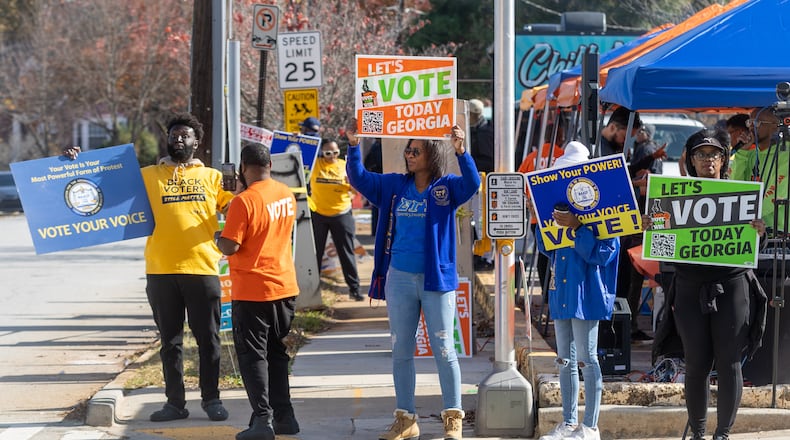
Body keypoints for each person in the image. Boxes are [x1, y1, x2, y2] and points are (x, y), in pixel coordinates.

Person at [63, 113, 233, 422]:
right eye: (174, 135)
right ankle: (175, 403)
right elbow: (103, 185)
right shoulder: (148, 175)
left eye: (185, 135)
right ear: (167, 140)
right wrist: (76, 162)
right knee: (170, 343)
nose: (178, 139)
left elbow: (236, 207)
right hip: (161, 271)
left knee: (208, 340)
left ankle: (211, 400)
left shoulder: (212, 177)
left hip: (203, 268)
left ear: (197, 141)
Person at [346, 124, 480, 440]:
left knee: (445, 349)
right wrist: (353, 147)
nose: (408, 154)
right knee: (401, 350)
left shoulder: (447, 188)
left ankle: (452, 417)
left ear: (430, 155)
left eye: (415, 150)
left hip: (437, 281)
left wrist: (461, 150)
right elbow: (360, 179)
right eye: (408, 149)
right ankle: (406, 419)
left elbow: (472, 183)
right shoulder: (394, 186)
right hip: (400, 279)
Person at [644, 132, 767, 440]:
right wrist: (650, 225)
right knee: (696, 362)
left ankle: (722, 433)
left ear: (723, 160)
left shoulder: (738, 196)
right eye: (701, 154)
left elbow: (753, 244)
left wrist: (759, 233)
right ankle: (698, 433)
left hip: (732, 286)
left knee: (729, 362)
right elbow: (662, 243)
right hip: (689, 288)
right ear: (690, 160)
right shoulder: (674, 196)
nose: (708, 160)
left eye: (714, 155)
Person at [534, 142, 618, 440]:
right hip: (562, 291)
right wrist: (544, 221)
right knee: (565, 359)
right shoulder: (556, 213)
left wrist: (578, 227)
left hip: (588, 294)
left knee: (587, 357)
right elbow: (546, 248)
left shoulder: (604, 211)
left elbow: (605, 254)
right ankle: (569, 422)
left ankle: (590, 425)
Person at [217, 143, 300, 440]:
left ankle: (262, 422)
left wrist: (218, 237)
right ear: (269, 165)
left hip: (253, 291)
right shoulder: (286, 194)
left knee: (253, 357)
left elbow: (231, 245)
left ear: (243, 167)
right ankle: (285, 418)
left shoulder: (244, 201)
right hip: (284, 286)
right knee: (277, 353)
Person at [310, 139, 362, 301]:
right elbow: (299, 161)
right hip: (318, 213)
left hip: (342, 213)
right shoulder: (315, 164)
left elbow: (357, 190)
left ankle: (354, 289)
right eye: (327, 153)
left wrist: (351, 183)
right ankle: (312, 290)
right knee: (314, 253)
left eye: (335, 152)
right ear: (321, 153)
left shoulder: (344, 166)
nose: (332, 156)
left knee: (346, 253)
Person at [729, 107, 787, 233]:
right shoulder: (749, 154)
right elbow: (735, 187)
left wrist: (747, 215)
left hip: (779, 237)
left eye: (757, 123)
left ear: (775, 126)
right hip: (752, 231)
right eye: (749, 122)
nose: (751, 127)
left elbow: (777, 194)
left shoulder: (786, 153)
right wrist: (742, 153)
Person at [364, 138, 383, 237]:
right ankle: (376, 230)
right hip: (380, 178)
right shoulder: (377, 147)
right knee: (377, 207)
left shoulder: (375, 146)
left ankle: (375, 230)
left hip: (378, 178)